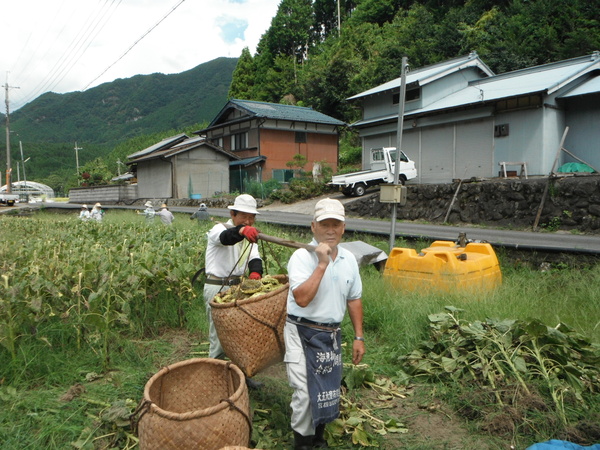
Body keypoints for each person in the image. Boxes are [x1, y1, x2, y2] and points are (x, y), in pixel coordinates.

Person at [284, 198, 365, 450]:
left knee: (327, 389)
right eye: (324, 224)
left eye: (335, 224)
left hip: (330, 334)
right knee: (305, 393)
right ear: (313, 227)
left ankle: (318, 438)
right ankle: (303, 443)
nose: (330, 230)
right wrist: (321, 262)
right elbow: (302, 298)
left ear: (343, 228)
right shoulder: (301, 257)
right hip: (302, 330)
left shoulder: (349, 259)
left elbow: (354, 298)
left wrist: (358, 337)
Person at [203, 194, 263, 388]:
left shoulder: (249, 235)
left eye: (251, 217)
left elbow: (255, 257)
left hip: (239, 288)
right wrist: (242, 230)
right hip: (217, 286)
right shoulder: (219, 229)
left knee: (240, 336)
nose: (248, 221)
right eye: (243, 216)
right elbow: (226, 238)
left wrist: (255, 273)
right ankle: (216, 379)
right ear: (232, 214)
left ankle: (241, 377)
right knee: (220, 338)